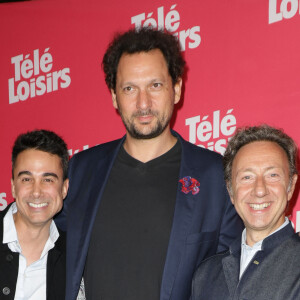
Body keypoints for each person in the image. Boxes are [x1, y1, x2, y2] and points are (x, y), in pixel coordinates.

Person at [55, 28, 243, 300]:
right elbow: (44, 245)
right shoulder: (82, 169)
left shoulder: (215, 175)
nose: (143, 103)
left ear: (176, 89)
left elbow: (232, 277)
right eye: (129, 88)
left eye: (155, 85)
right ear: (113, 96)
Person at [191, 125, 300, 300]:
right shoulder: (206, 275)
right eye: (247, 177)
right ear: (230, 190)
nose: (259, 190)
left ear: (291, 186)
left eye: (272, 175)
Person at [0, 130, 69, 299]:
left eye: (48, 180)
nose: (36, 192)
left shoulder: (75, 257)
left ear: (64, 189)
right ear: (13, 187)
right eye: (26, 179)